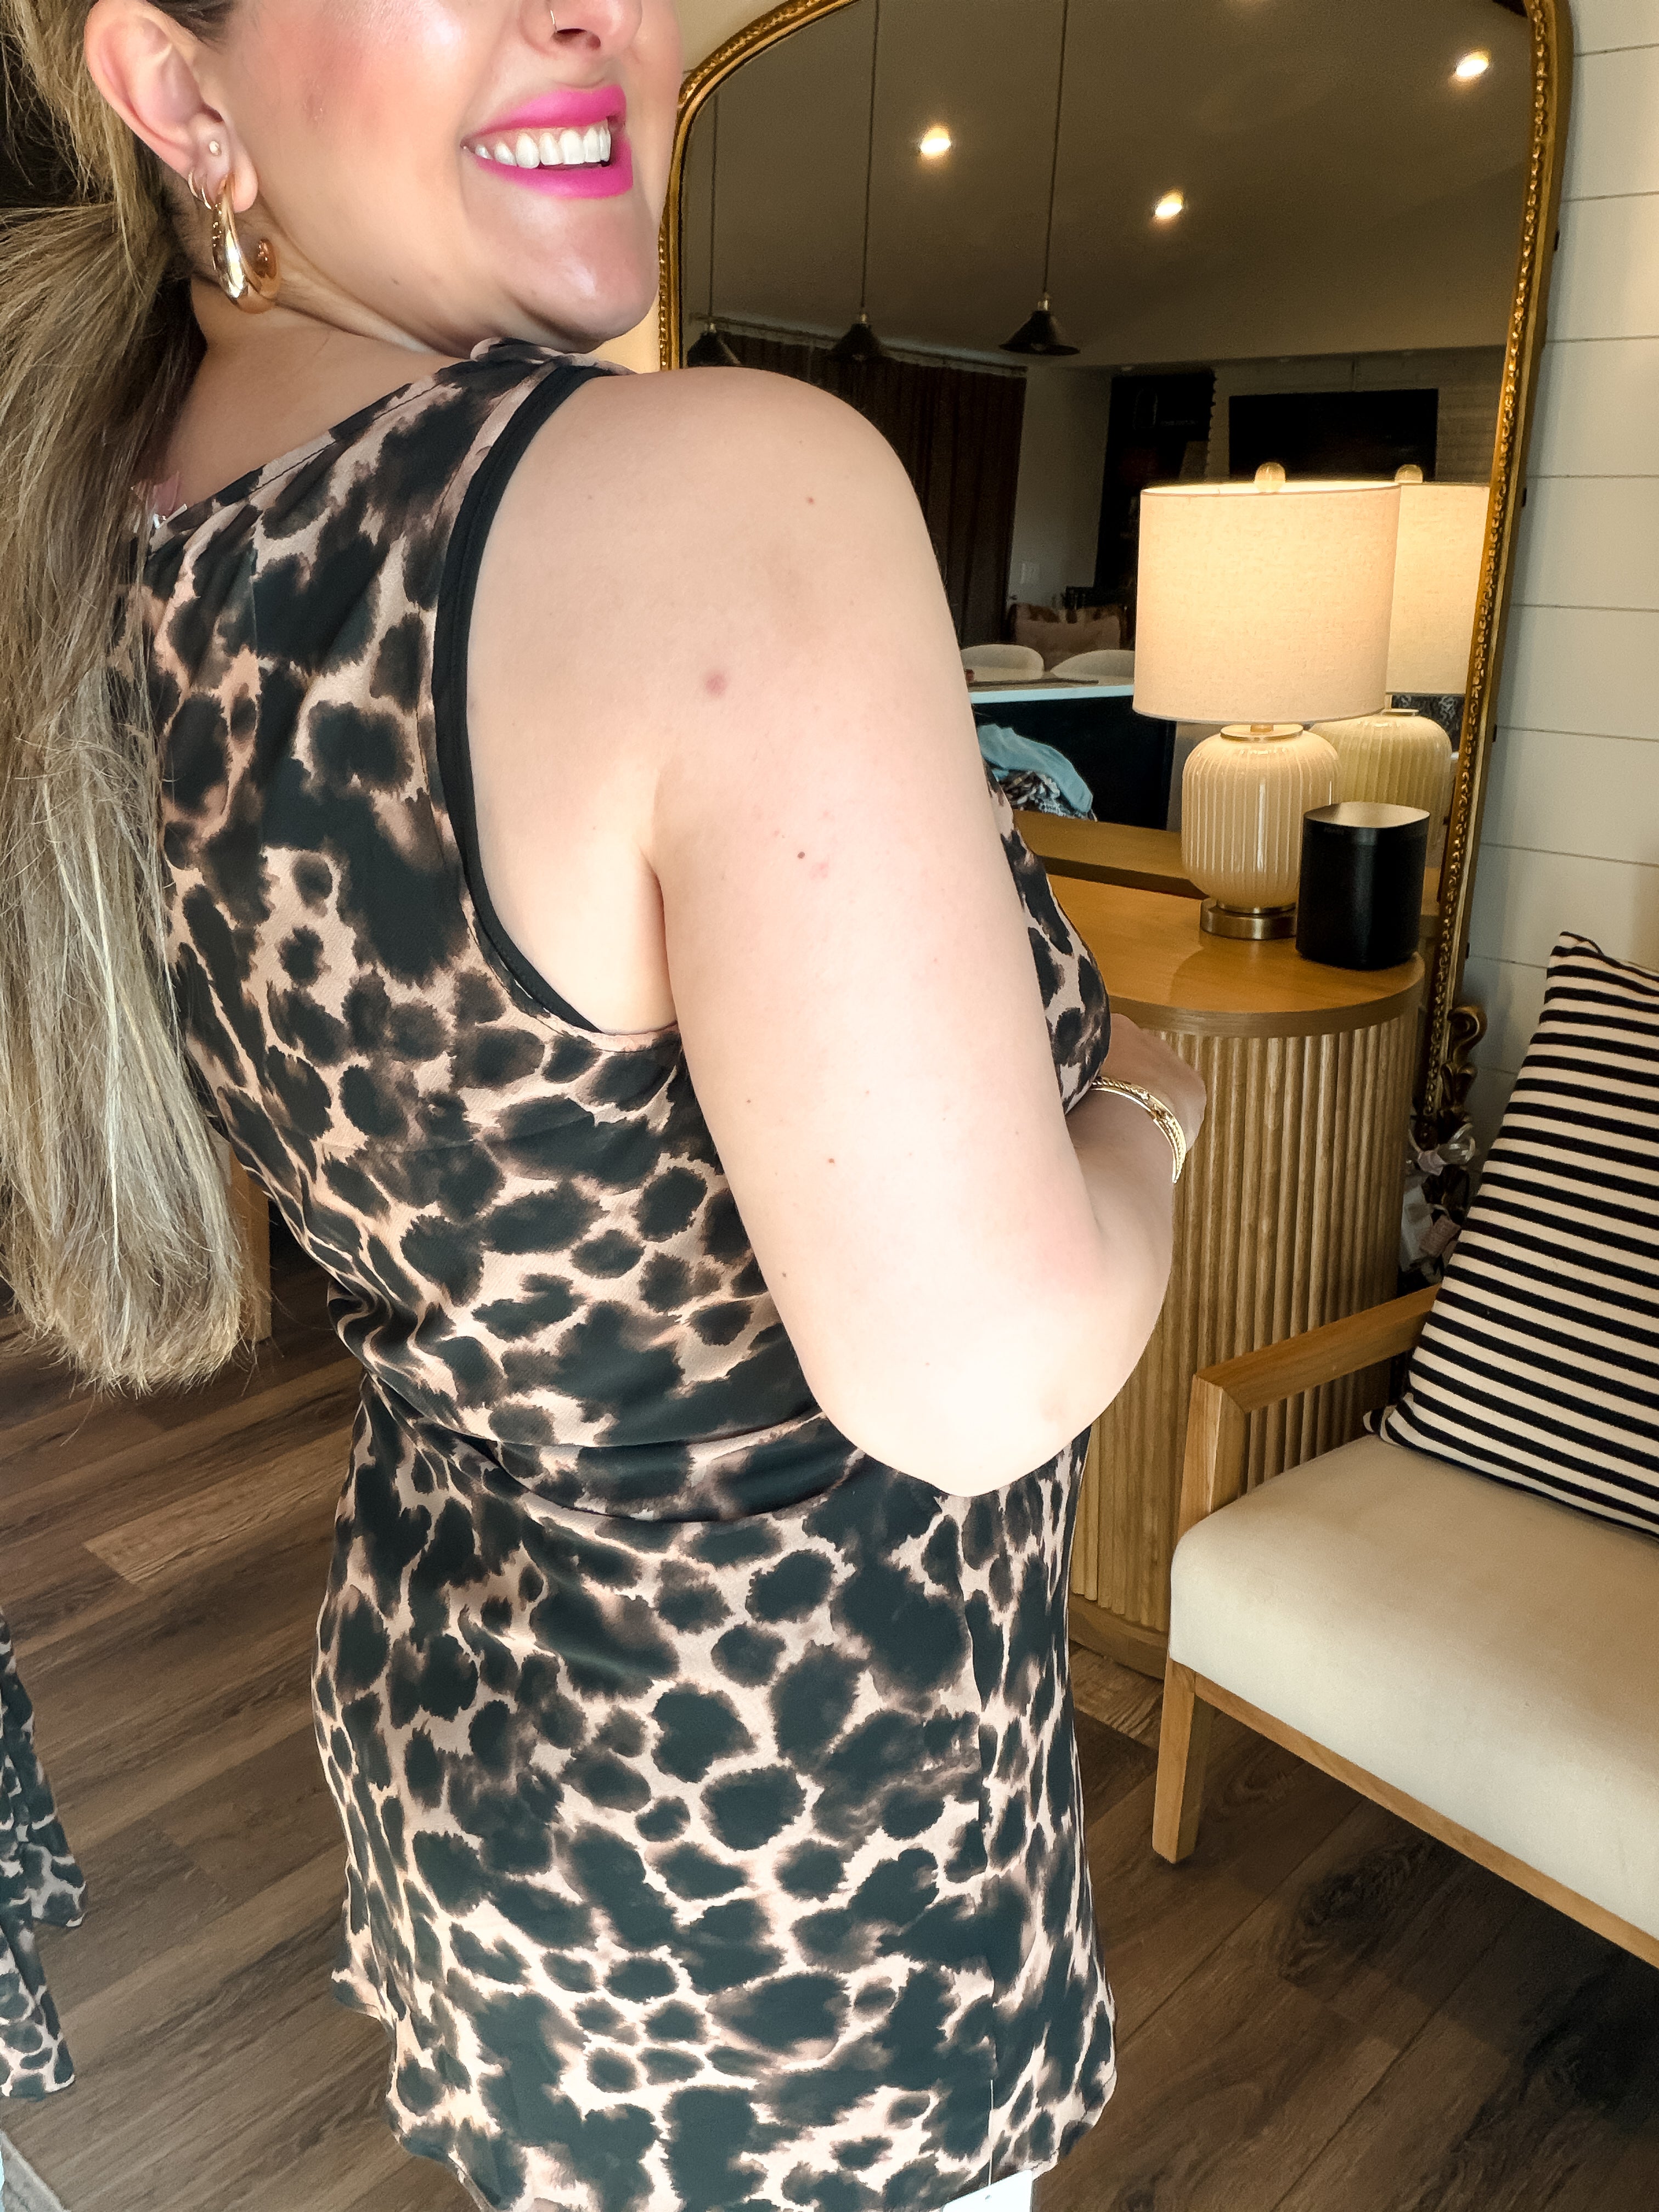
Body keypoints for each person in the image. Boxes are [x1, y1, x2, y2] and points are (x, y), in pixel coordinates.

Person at [0, 1, 1206, 2207]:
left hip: (467, 1740)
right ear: (178, 92)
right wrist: (1147, 1114)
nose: (597, 11)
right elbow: (983, 1377)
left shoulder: (120, 522)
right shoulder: (717, 501)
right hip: (801, 1904)